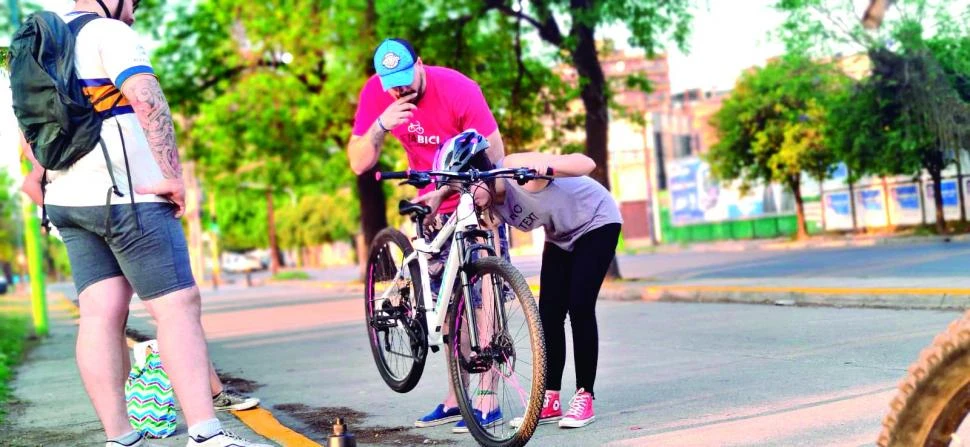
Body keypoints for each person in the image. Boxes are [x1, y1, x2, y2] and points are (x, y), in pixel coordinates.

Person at [16, 1, 270, 446]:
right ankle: (206, 433)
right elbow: (147, 98)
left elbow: (29, 134)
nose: (133, 11)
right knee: (178, 306)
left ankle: (119, 437)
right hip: (129, 198)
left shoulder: (39, 44)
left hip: (69, 200)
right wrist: (172, 175)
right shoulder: (108, 33)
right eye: (132, 2)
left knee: (99, 314)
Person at [347, 38, 511, 433]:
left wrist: (488, 198)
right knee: (446, 306)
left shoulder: (458, 89)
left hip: (472, 195)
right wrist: (381, 125)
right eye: (392, 84)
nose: (400, 89)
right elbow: (358, 162)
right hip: (430, 205)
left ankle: (487, 397)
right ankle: (457, 397)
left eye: (406, 78)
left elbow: (495, 155)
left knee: (483, 296)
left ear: (420, 63)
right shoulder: (376, 95)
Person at [422, 130, 624, 429]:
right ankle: (550, 398)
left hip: (596, 221)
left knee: (579, 306)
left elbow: (587, 163)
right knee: (548, 315)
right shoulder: (487, 204)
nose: (468, 199)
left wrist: (548, 167)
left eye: (469, 188)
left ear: (482, 173)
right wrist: (440, 195)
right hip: (560, 235)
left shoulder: (516, 169)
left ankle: (585, 395)